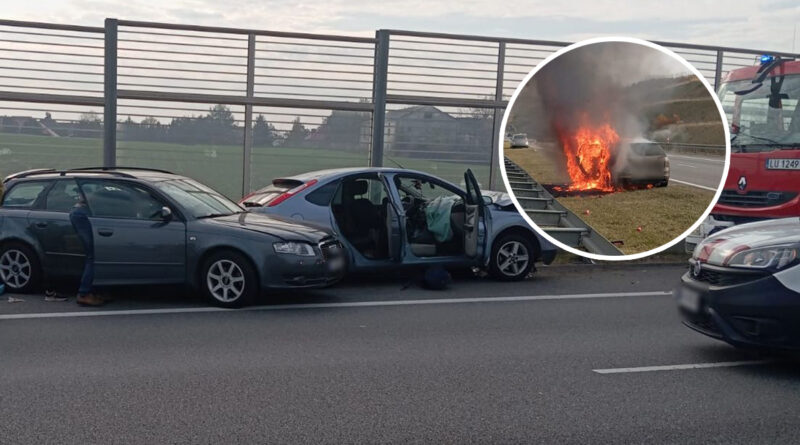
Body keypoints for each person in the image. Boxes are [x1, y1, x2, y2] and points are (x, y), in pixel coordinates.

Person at [69, 196, 103, 306]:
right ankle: (84, 293)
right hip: (82, 214)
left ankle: (92, 291)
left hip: (81, 212)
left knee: (93, 257)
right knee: (92, 257)